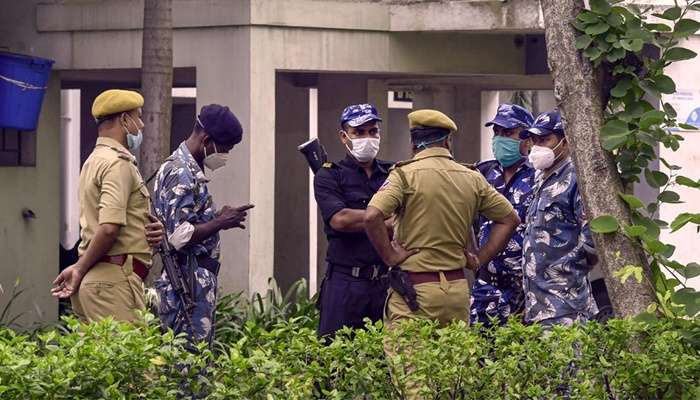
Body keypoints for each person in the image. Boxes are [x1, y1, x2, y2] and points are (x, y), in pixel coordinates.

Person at [364, 108, 520, 327]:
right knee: (451, 359)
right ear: (447, 141)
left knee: (407, 359)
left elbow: (372, 216)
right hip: (456, 290)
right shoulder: (472, 177)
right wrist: (479, 258)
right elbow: (510, 219)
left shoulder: (403, 175)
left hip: (414, 291)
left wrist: (390, 256)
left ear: (413, 142)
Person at [51, 89, 165, 322]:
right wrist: (79, 269)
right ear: (125, 120)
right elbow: (109, 227)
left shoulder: (94, 161)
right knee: (130, 358)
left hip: (100, 281)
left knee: (100, 358)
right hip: (112, 282)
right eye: (138, 117)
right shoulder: (117, 164)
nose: (141, 125)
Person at [152, 104, 253, 345]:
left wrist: (216, 217)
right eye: (225, 148)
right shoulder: (180, 172)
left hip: (194, 279)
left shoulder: (187, 170)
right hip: (186, 283)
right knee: (188, 368)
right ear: (207, 140)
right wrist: (220, 222)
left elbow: (184, 220)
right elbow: (178, 236)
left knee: (196, 364)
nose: (226, 154)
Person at [313, 103, 394, 338]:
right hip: (345, 282)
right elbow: (341, 219)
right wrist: (386, 223)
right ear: (344, 136)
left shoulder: (393, 173)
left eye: (373, 132)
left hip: (384, 282)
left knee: (385, 361)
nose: (367, 138)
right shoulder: (329, 175)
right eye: (359, 132)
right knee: (335, 360)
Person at [520, 110, 598, 327]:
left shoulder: (575, 178)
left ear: (564, 142)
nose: (537, 146)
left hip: (565, 304)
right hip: (537, 304)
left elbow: (591, 243)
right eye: (534, 140)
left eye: (545, 139)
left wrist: (566, 271)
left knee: (566, 361)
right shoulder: (542, 179)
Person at [470, 104, 536, 327]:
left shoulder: (540, 177)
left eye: (508, 133)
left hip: (524, 291)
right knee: (480, 356)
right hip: (486, 287)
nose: (500, 139)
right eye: (496, 132)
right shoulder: (482, 173)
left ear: (527, 139)